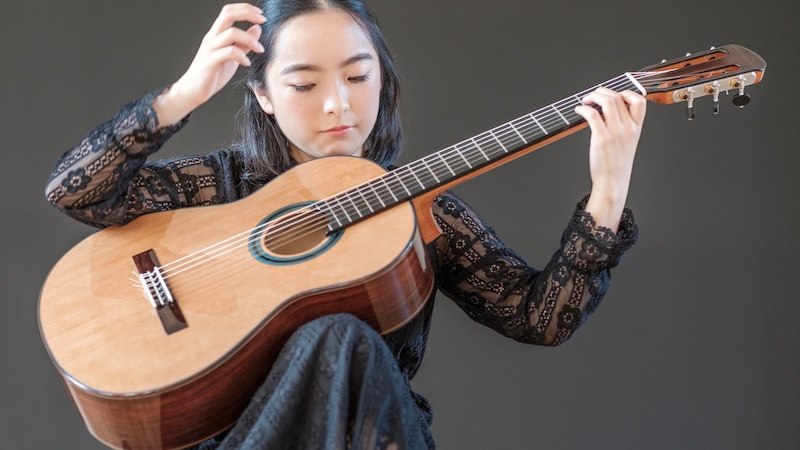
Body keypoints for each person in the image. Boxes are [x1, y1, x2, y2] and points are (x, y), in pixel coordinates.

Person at [45, 1, 644, 449]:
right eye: (305, 84)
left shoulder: (418, 210)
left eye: (358, 77)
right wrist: (184, 93)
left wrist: (608, 192)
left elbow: (536, 318)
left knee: (342, 341)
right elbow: (75, 191)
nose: (339, 103)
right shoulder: (220, 186)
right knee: (336, 337)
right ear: (264, 95)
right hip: (239, 439)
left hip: (373, 434)